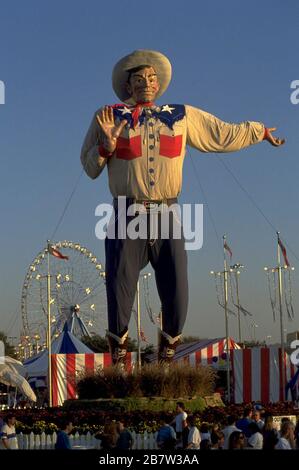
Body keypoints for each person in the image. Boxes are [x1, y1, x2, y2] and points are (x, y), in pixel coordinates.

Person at [81, 49, 285, 365]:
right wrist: (105, 147)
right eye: (139, 78)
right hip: (126, 211)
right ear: (128, 85)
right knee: (119, 284)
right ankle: (119, 352)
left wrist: (257, 131)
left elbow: (221, 133)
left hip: (166, 210)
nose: (146, 83)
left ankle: (168, 346)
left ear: (158, 83)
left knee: (177, 286)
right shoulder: (107, 116)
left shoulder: (180, 115)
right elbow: (89, 166)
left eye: (151, 78)